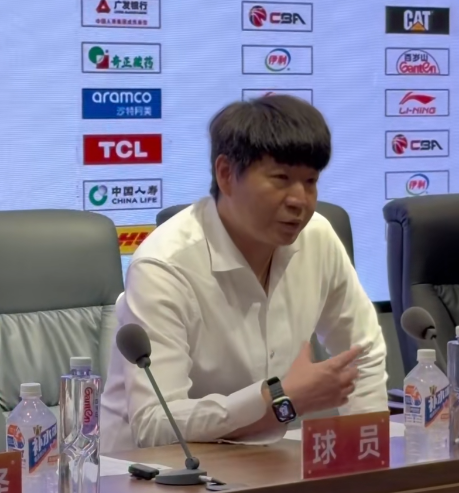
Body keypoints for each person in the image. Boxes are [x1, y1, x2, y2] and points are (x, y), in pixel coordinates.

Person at [101, 95, 388, 451]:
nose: (300, 200)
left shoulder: (318, 238)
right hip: (149, 470)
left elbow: (363, 352)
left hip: (262, 461)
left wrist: (368, 447)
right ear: (225, 174)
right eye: (281, 179)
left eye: (311, 181)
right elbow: (156, 423)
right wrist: (279, 400)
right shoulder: (165, 265)